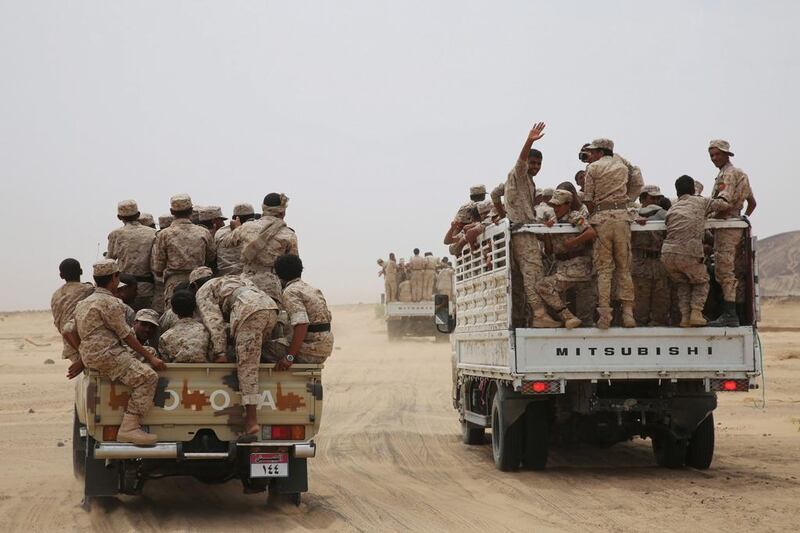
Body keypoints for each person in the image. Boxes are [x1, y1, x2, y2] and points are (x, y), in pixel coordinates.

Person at [74, 259, 166, 445]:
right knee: (148, 377)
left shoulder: (83, 303)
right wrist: (151, 358)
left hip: (91, 356)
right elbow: (126, 335)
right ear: (115, 279)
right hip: (109, 355)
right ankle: (129, 428)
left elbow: (70, 330)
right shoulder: (111, 303)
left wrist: (83, 354)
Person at [192, 267, 279, 438]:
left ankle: (252, 422)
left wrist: (220, 353)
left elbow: (214, 323)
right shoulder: (232, 279)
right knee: (254, 352)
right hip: (269, 307)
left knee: (247, 366)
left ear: (194, 286)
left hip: (249, 311)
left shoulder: (203, 291)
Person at [489, 123, 558, 327]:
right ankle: (538, 314)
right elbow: (520, 161)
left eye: (539, 164)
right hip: (521, 232)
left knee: (534, 273)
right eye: (533, 163)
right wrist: (529, 140)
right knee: (532, 272)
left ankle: (538, 314)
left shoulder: (528, 181)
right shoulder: (518, 174)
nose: (535, 167)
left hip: (527, 229)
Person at [662, 175, 731, 327]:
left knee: (683, 284)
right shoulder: (700, 201)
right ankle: (696, 313)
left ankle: (685, 318)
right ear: (693, 190)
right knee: (702, 281)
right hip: (688, 252)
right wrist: (724, 191)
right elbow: (724, 205)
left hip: (667, 254)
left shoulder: (673, 207)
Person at [583, 138, 636, 329]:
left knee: (604, 269)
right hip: (622, 218)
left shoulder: (593, 168)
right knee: (624, 268)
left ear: (599, 152)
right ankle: (628, 314)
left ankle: (605, 316)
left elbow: (588, 198)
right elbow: (637, 179)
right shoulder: (622, 166)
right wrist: (627, 200)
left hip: (602, 219)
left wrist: (595, 212)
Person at [706, 139, 756, 327]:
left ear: (727, 154)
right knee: (736, 272)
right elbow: (752, 203)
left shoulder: (727, 175)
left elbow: (724, 204)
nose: (714, 158)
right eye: (711, 155)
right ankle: (739, 315)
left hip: (726, 228)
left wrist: (709, 216)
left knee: (724, 271)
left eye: (717, 154)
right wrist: (743, 218)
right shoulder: (740, 174)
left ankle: (730, 315)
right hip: (735, 227)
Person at [535, 190, 598, 328]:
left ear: (568, 204)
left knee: (543, 286)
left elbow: (591, 232)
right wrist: (547, 233)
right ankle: (568, 318)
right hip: (562, 266)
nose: (556, 209)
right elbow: (549, 251)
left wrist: (573, 242)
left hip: (577, 265)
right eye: (554, 206)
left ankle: (568, 317)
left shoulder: (574, 216)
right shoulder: (554, 221)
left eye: (559, 205)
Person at [220, 193, 298, 304]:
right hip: (271, 287)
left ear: (263, 209)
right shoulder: (289, 234)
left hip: (246, 284)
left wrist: (237, 229)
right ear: (282, 212)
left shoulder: (246, 227)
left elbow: (226, 243)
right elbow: (292, 265)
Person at [151, 194, 216, 309]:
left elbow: (158, 268)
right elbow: (211, 257)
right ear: (191, 210)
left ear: (172, 211)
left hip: (174, 285)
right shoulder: (203, 232)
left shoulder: (164, 234)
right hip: (200, 282)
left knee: (175, 318)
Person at [274, 254, 334, 368]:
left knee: (261, 348)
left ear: (278, 275)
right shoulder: (311, 289)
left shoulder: (290, 292)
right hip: (323, 348)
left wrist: (289, 357)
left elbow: (302, 324)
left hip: (309, 350)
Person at [107, 199, 157, 310]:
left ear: (119, 217)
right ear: (138, 215)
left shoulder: (115, 235)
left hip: (123, 290)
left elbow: (108, 263)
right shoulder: (153, 233)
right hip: (146, 288)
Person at [631, 185, 670, 326]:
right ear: (642, 198)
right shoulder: (632, 214)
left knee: (661, 305)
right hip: (640, 262)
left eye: (658, 198)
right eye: (652, 197)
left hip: (659, 261)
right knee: (640, 307)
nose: (655, 201)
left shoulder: (665, 214)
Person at [50, 258, 94, 375]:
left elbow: (57, 322)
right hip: (86, 343)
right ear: (81, 271)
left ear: (61, 275)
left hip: (69, 344)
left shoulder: (55, 295)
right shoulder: (88, 290)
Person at [158, 290, 212, 363]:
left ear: (173, 310)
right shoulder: (207, 331)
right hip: (206, 373)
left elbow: (166, 364)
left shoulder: (165, 337)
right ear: (195, 308)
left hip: (176, 373)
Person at [215, 203, 255, 276]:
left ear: (234, 218)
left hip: (223, 277)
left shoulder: (220, 232)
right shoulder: (253, 232)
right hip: (246, 278)